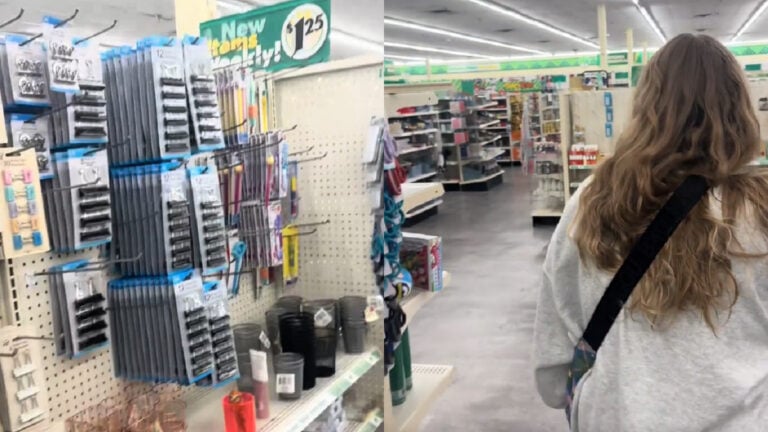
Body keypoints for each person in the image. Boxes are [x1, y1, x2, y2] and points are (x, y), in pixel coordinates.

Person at [533, 33, 768, 432]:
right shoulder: (759, 211)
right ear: (739, 108)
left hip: (617, 417)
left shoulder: (591, 202)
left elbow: (553, 364)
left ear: (646, 105)